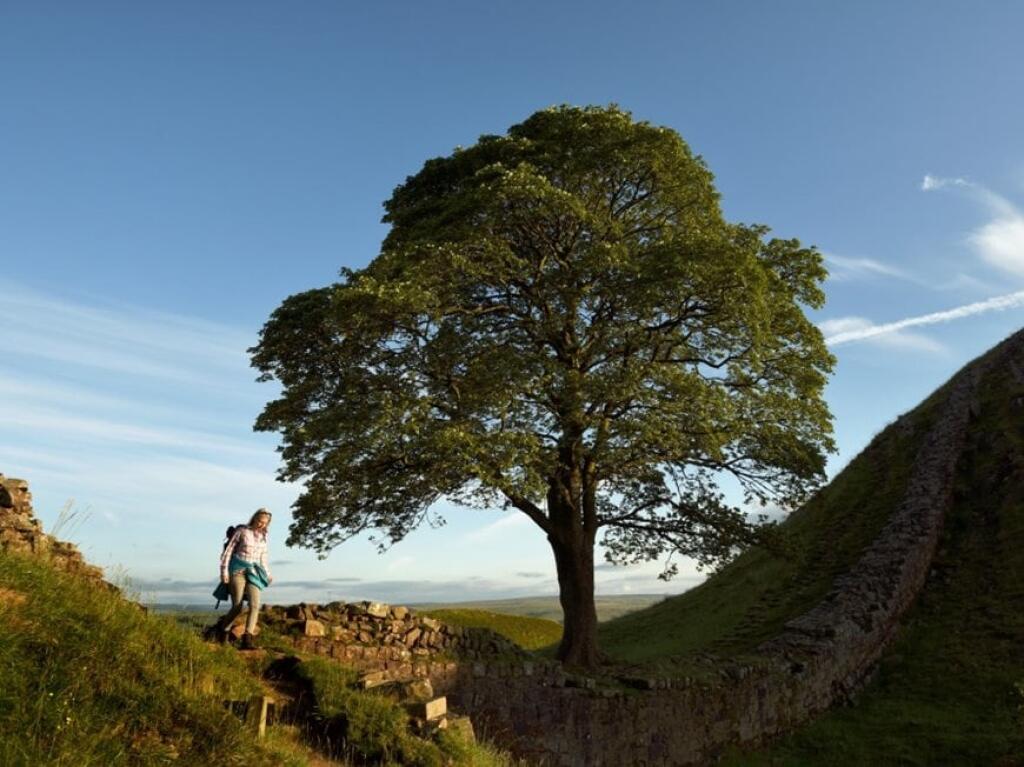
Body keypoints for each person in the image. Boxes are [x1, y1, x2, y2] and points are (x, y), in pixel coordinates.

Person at [209, 508, 273, 649]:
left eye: (265, 523)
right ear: (254, 518)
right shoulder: (242, 531)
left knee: (255, 605)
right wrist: (224, 572)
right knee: (237, 606)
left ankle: (247, 639)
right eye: (260, 521)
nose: (261, 525)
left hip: (254, 572)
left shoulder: (264, 537)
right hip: (237, 570)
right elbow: (228, 552)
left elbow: (263, 558)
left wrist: (267, 574)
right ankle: (223, 631)